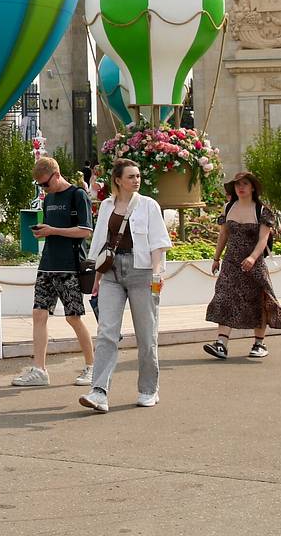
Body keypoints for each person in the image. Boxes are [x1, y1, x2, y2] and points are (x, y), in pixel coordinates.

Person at [78, 158, 171, 413]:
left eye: (138, 176)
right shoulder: (107, 206)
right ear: (118, 180)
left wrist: (157, 273)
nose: (136, 180)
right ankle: (99, 392)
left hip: (142, 272)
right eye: (131, 176)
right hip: (112, 272)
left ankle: (148, 389)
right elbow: (99, 241)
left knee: (146, 334)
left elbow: (158, 242)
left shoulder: (149, 205)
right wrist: (96, 277)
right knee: (107, 332)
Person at [12, 156, 95, 388]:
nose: (44, 188)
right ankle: (40, 369)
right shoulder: (49, 200)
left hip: (69, 266)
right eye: (40, 185)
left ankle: (92, 366)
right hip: (47, 264)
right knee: (39, 314)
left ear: (56, 175)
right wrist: (44, 232)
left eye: (45, 184)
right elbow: (54, 230)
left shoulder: (78, 195)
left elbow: (85, 231)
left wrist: (53, 230)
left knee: (73, 317)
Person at [203, 171, 281, 359]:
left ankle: (259, 344)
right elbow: (224, 235)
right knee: (224, 297)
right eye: (237, 184)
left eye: (244, 184)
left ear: (252, 187)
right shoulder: (229, 207)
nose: (240, 187)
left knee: (258, 301)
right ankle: (221, 344)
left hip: (254, 264)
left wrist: (252, 258)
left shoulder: (262, 210)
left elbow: (263, 239)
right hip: (231, 262)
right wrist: (216, 258)